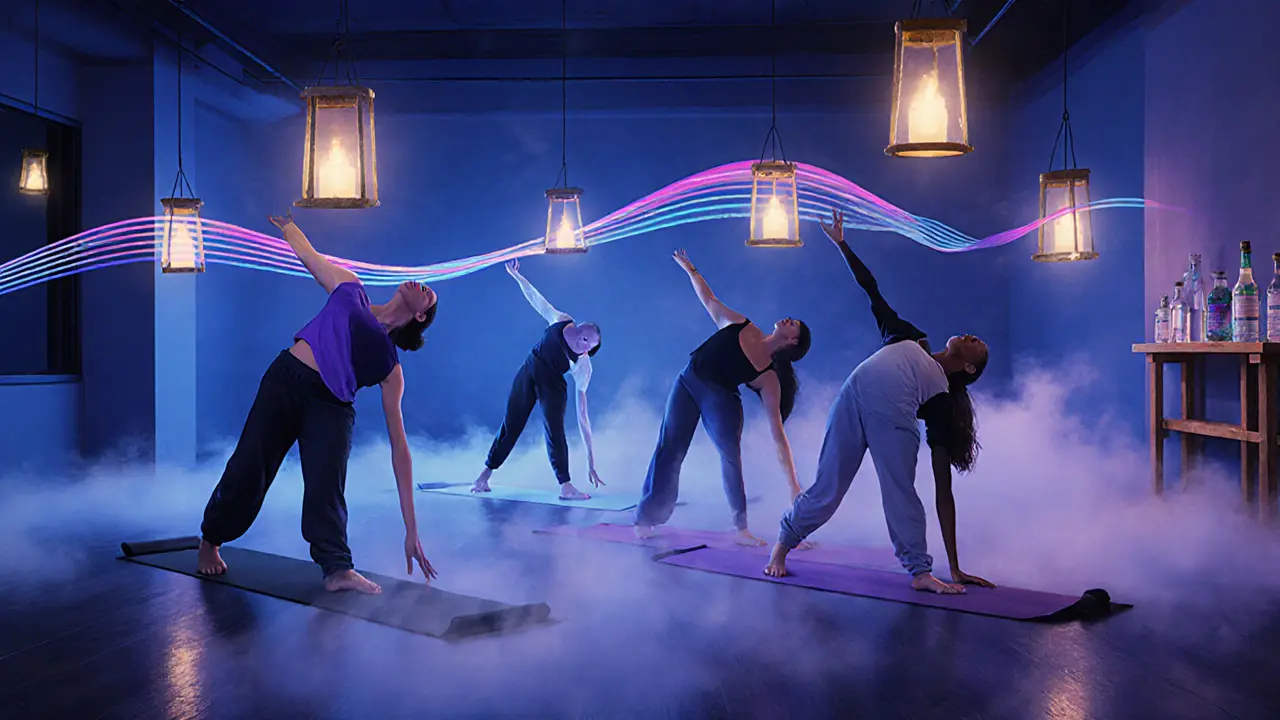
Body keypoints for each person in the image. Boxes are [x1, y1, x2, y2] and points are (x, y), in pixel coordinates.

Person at [196, 211, 439, 595]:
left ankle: (337, 569)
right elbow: (310, 256)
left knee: (327, 487)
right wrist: (288, 225)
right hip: (287, 378)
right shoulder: (350, 288)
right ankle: (210, 538)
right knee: (249, 466)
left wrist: (411, 530)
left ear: (421, 315)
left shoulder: (392, 368)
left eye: (427, 292)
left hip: (331, 406)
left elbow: (400, 447)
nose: (421, 285)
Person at [764, 209, 994, 594]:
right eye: (973, 336)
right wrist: (842, 244)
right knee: (827, 488)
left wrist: (956, 567)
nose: (972, 336)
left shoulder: (940, 398)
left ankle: (921, 572)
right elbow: (871, 288)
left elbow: (942, 490)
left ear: (969, 368)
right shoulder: (910, 337)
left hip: (894, 421)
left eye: (977, 345)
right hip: (852, 399)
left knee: (901, 491)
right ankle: (781, 547)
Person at [634, 248, 811, 546]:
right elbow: (710, 301)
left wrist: (794, 485)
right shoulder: (744, 325)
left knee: (731, 458)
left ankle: (740, 528)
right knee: (669, 448)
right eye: (792, 319)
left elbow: (778, 435)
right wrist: (692, 271)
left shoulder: (768, 377)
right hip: (688, 381)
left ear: (792, 341)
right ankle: (647, 517)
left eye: (794, 324)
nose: (789, 319)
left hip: (720, 399)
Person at [471, 259, 604, 500]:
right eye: (581, 331)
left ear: (587, 348)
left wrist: (591, 460)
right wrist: (517, 276)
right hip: (529, 368)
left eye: (586, 341)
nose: (579, 337)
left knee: (555, 430)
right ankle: (484, 476)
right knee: (510, 425)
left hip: (552, 384)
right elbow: (537, 300)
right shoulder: (563, 319)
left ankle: (566, 486)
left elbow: (583, 416)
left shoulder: (583, 365)